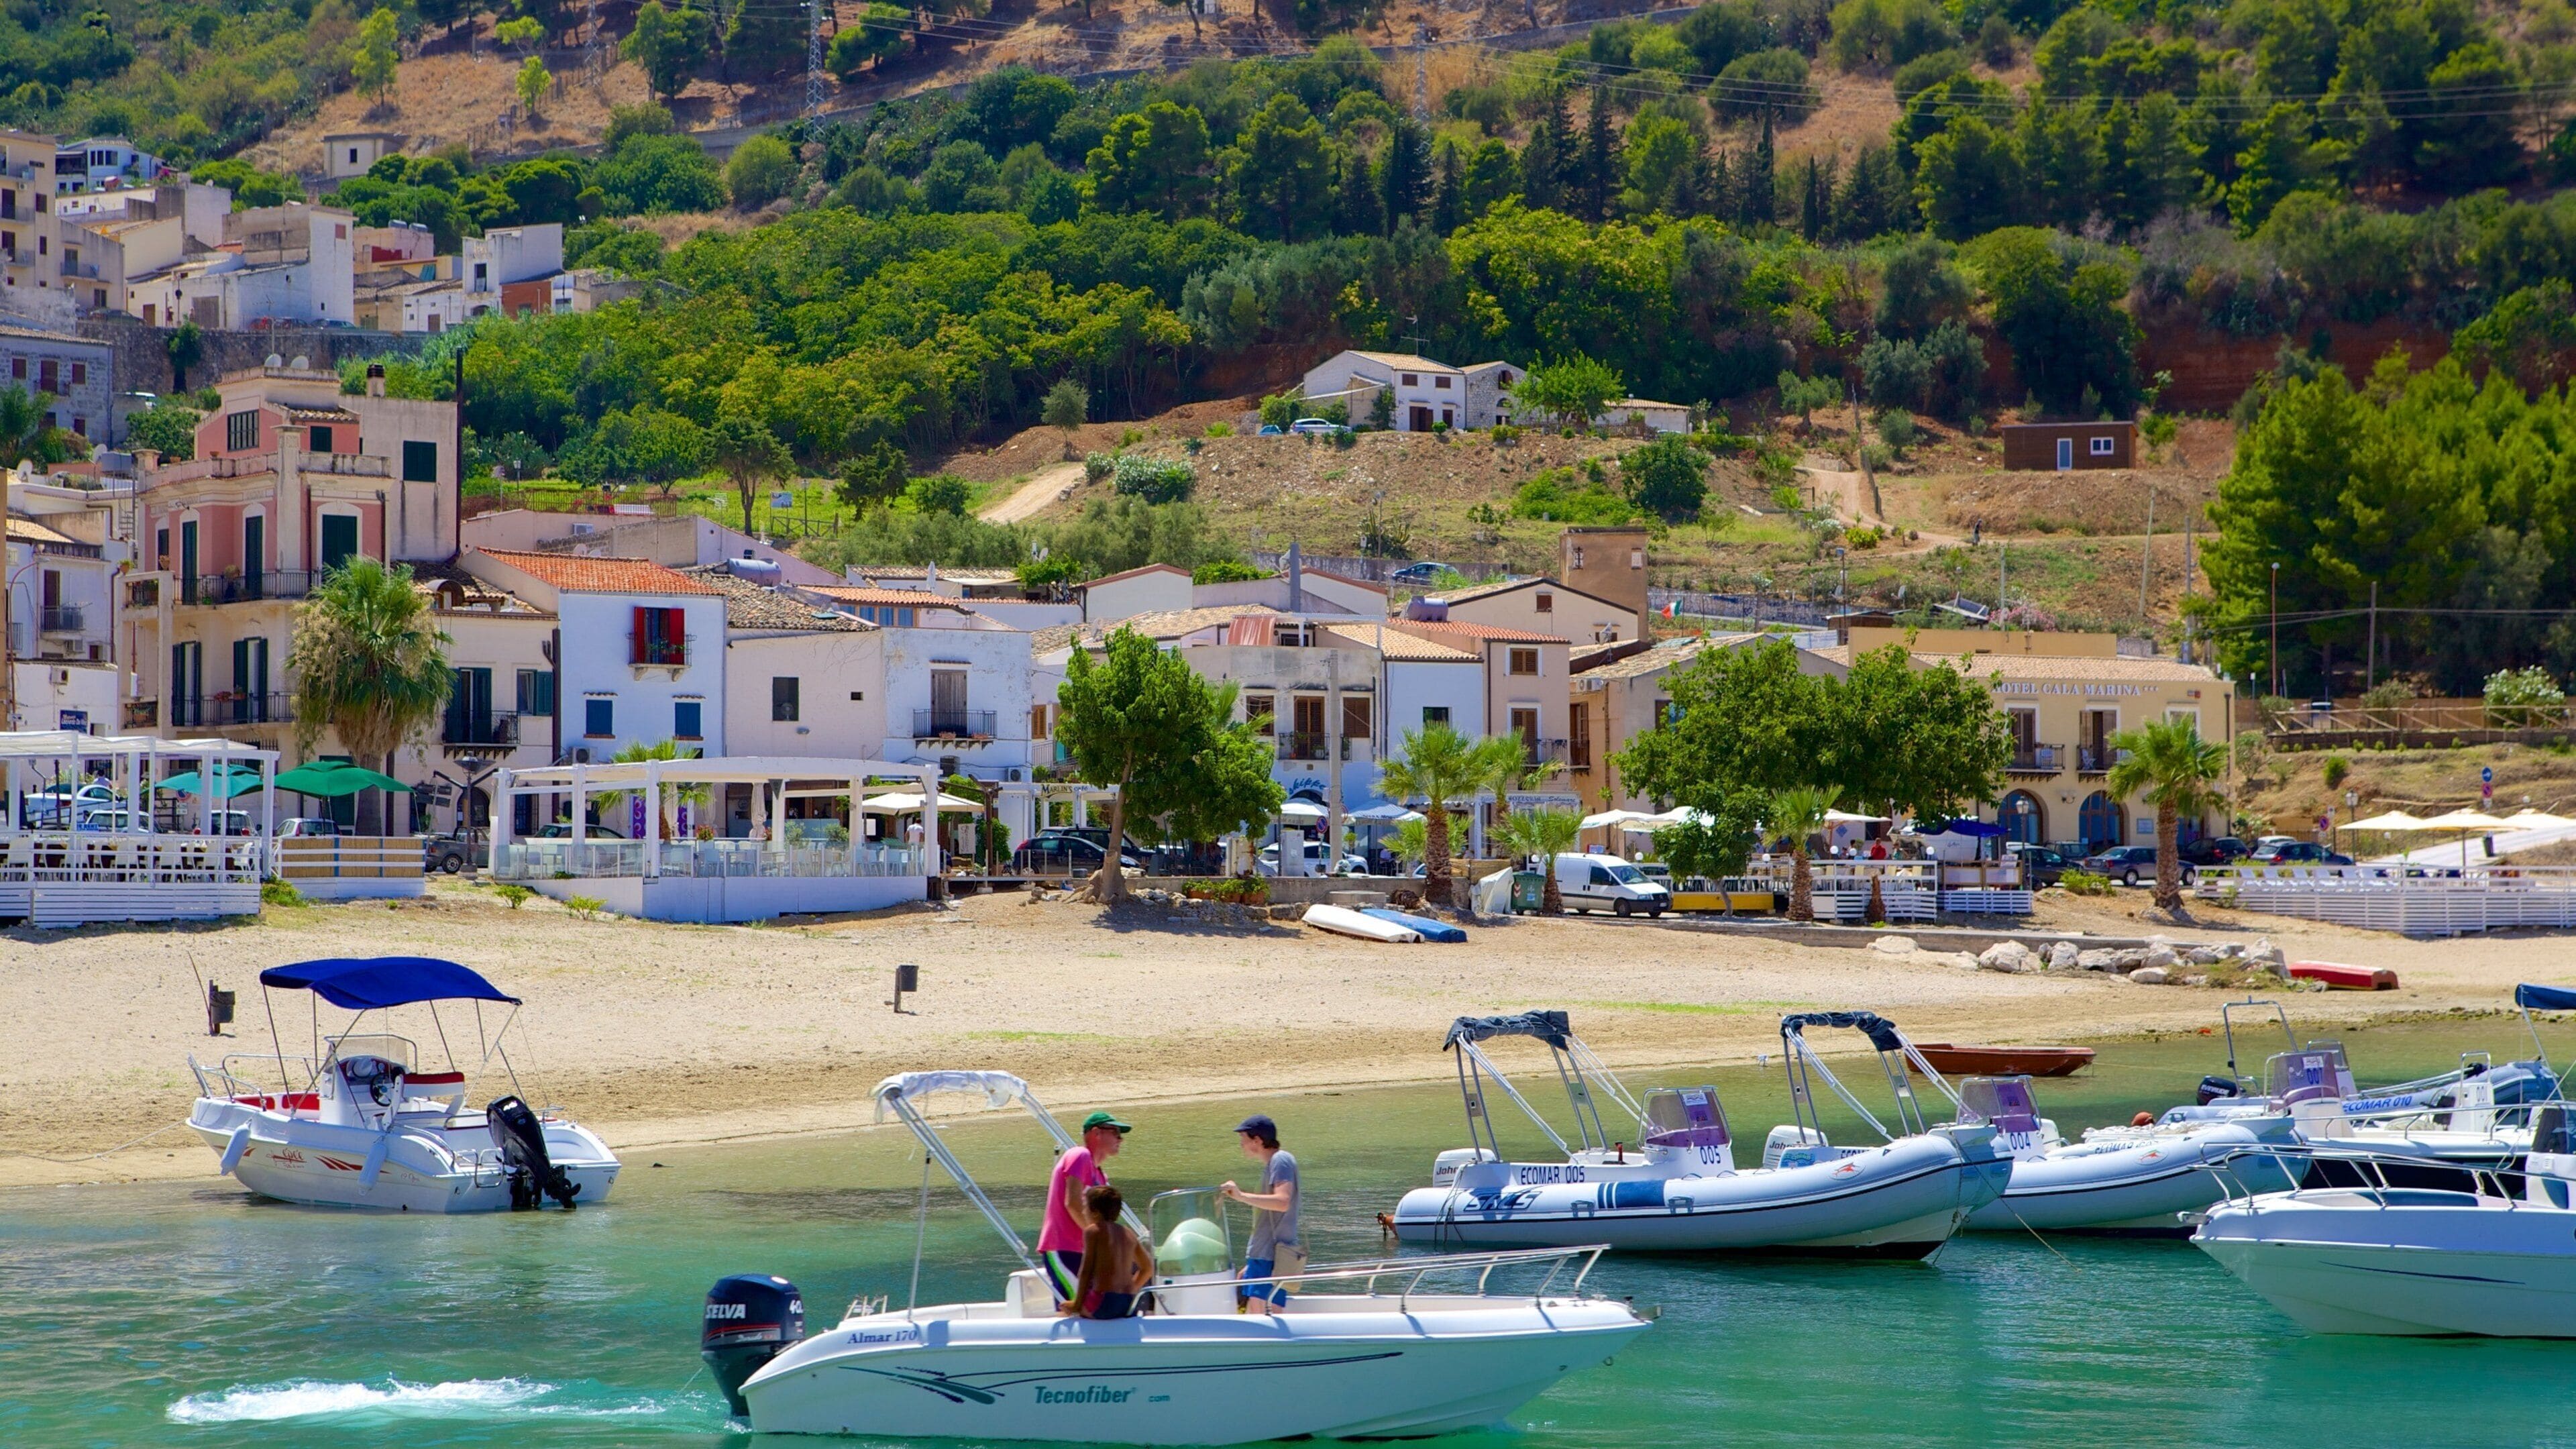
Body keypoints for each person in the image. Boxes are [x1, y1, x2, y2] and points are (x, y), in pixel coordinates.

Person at [1038, 1110, 1130, 1308]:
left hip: (1083, 1251)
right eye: (1115, 1133)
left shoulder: (1101, 1176)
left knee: (1089, 1307)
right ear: (1096, 1133)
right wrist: (1102, 1239)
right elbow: (1072, 1203)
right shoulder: (1080, 1155)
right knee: (1076, 1308)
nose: (1120, 1139)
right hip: (1062, 1246)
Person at [1220, 1114, 1300, 1313]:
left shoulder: (1281, 1160)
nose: (1241, 1145)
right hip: (1264, 1255)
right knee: (1256, 1313)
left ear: (1257, 1140)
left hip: (1270, 1257)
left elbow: (1282, 1202)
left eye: (1243, 1140)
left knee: (1262, 1316)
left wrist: (1241, 1196)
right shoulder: (1275, 1163)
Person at [1063, 1183, 1153, 1320]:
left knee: (1064, 1309)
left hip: (1104, 1302)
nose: (1083, 1212)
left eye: (1085, 1207)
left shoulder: (1093, 1231)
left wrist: (1077, 1305)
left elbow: (1086, 1272)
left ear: (1095, 1212)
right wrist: (1132, 1289)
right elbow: (1147, 1269)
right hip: (1128, 1303)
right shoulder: (1128, 1234)